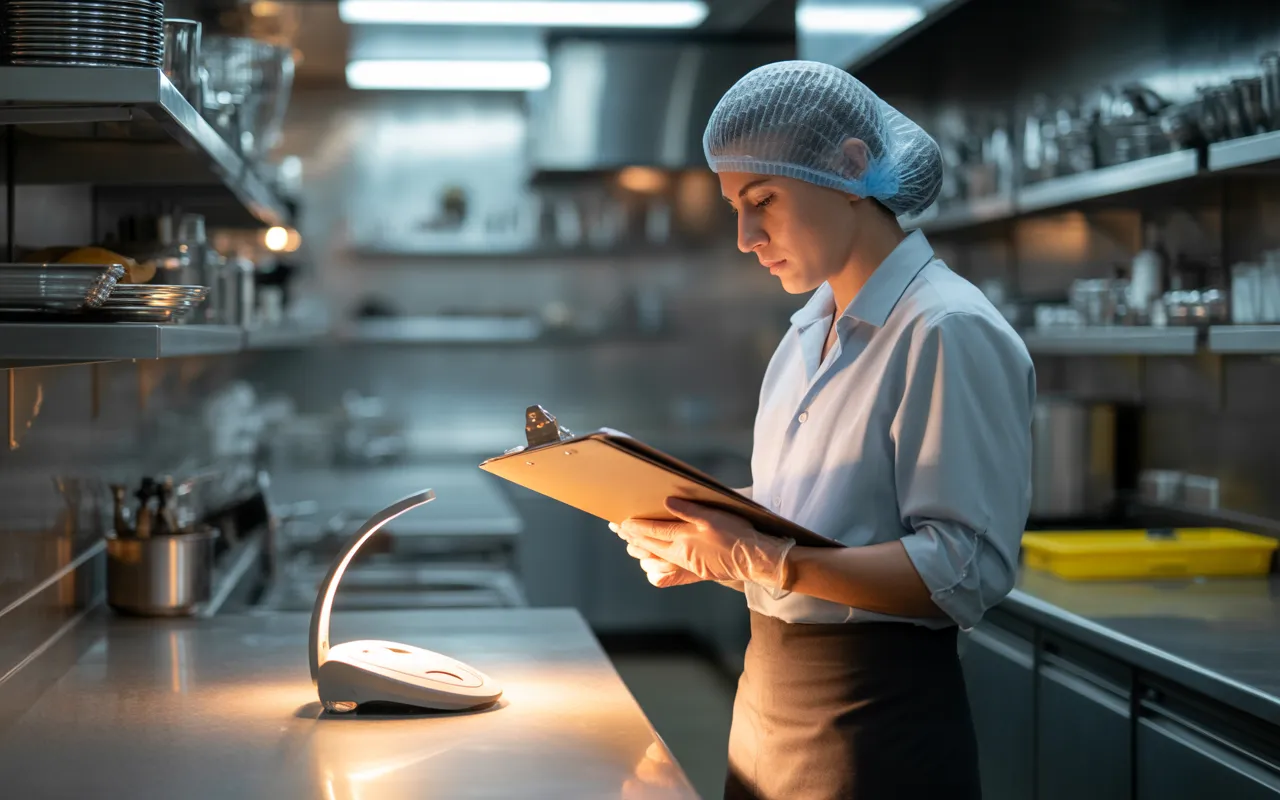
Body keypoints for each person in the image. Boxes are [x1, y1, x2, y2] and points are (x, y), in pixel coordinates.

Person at [613, 61, 1036, 800]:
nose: (745, 236)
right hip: (768, 710)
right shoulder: (806, 332)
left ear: (849, 169)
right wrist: (701, 534)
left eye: (763, 200)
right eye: (735, 208)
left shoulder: (945, 328)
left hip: (878, 729)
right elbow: (812, 508)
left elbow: (961, 571)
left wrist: (769, 560)